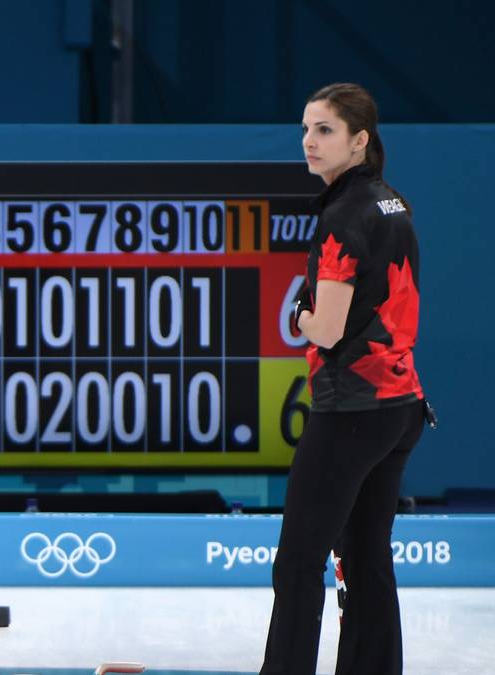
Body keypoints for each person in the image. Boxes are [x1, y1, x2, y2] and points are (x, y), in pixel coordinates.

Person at [261, 82, 429, 674]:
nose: (309, 141)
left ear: (360, 141)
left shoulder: (342, 216)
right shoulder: (392, 202)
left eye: (325, 130)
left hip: (353, 410)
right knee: (365, 557)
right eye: (306, 129)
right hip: (400, 407)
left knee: (299, 562)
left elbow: (327, 330)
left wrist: (299, 314)